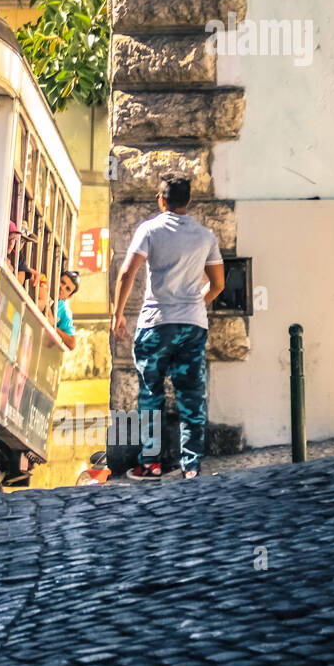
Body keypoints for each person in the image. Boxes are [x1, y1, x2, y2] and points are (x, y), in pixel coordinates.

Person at [112, 176, 225, 481]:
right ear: (188, 202)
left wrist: (118, 314)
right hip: (192, 324)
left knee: (151, 394)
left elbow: (127, 273)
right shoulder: (205, 236)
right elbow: (218, 285)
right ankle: (191, 466)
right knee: (191, 395)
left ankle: (151, 464)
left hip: (156, 323)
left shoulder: (149, 229)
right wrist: (195, 304)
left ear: (160, 200)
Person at [55, 270, 80, 352]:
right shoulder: (44, 284)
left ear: (68, 297)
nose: (62, 287)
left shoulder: (65, 311)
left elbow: (72, 343)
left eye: (67, 289)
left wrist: (52, 326)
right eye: (62, 282)